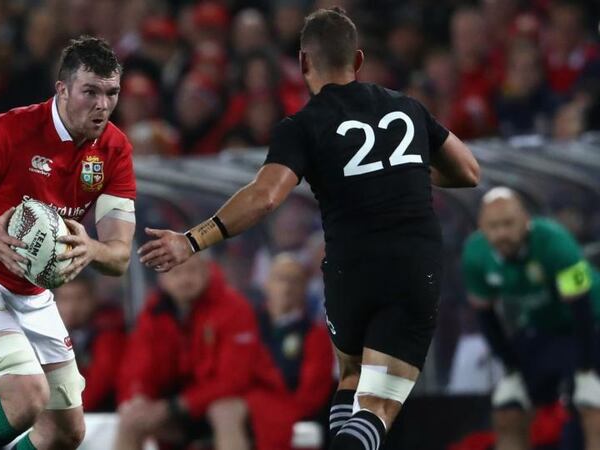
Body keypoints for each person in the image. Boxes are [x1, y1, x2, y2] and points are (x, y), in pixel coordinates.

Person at [139, 7, 480, 450]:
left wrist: (192, 239)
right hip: (412, 265)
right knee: (377, 405)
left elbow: (264, 196)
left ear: (303, 63)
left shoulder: (301, 126)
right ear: (357, 61)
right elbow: (469, 171)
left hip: (349, 271)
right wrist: (408, 172)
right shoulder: (407, 108)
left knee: (353, 376)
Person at [0, 36, 137, 450]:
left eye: (111, 93)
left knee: (66, 433)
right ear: (62, 89)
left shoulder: (114, 150)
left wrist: (92, 249)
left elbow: (119, 254)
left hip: (33, 295)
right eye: (90, 91)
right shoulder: (10, 131)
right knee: (27, 397)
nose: (102, 105)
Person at [462, 187, 600, 449]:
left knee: (592, 404)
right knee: (507, 409)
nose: (501, 233)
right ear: (481, 226)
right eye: (493, 226)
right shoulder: (475, 256)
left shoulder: (555, 242)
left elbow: (581, 308)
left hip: (590, 323)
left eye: (508, 223)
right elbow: (486, 318)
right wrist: (511, 370)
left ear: (526, 220)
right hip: (541, 328)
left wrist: (586, 371)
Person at [115, 255, 266, 450]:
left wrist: (174, 406)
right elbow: (137, 368)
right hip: (178, 406)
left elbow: (234, 380)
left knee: (224, 412)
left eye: (192, 271)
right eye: (177, 273)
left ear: (206, 272)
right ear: (163, 279)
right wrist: (138, 396)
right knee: (131, 418)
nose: (185, 279)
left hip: (240, 404)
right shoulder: (153, 313)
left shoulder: (235, 307)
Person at [244, 253, 335, 449]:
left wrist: (271, 412)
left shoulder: (315, 335)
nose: (287, 287)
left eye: (295, 281)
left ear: (304, 288)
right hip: (245, 412)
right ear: (266, 284)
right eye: (280, 279)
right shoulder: (245, 326)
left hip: (289, 418)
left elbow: (312, 395)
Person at [53, 275, 126, 412]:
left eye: (79, 299)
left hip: (101, 415)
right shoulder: (51, 335)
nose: (71, 308)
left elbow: (99, 385)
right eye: (65, 299)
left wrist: (62, 413)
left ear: (94, 299)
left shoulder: (109, 332)